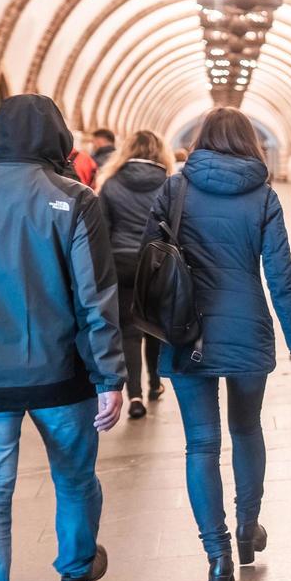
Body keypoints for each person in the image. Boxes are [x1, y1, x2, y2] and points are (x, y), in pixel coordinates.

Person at [0, 95, 125, 581]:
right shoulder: (74, 199)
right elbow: (95, 300)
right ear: (57, 137)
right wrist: (110, 377)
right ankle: (76, 569)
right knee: (75, 476)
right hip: (62, 375)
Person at [143, 107, 291, 581]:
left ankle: (217, 557)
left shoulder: (174, 190)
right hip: (246, 327)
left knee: (200, 443)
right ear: (250, 143)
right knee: (246, 430)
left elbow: (151, 257)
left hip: (185, 327)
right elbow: (280, 276)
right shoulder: (263, 196)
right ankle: (246, 529)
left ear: (201, 140)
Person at [97, 129, 174, 420]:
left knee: (129, 332)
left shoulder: (111, 184)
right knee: (153, 326)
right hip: (155, 263)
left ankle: (135, 395)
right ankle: (155, 383)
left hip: (120, 263)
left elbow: (102, 232)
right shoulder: (169, 184)